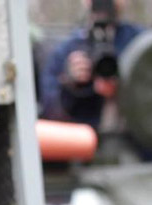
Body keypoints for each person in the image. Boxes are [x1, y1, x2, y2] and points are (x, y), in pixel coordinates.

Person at [39, 0, 145, 132]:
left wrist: (123, 88)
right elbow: (50, 113)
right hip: (84, 144)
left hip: (136, 143)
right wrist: (71, 84)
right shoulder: (65, 52)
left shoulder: (142, 44)